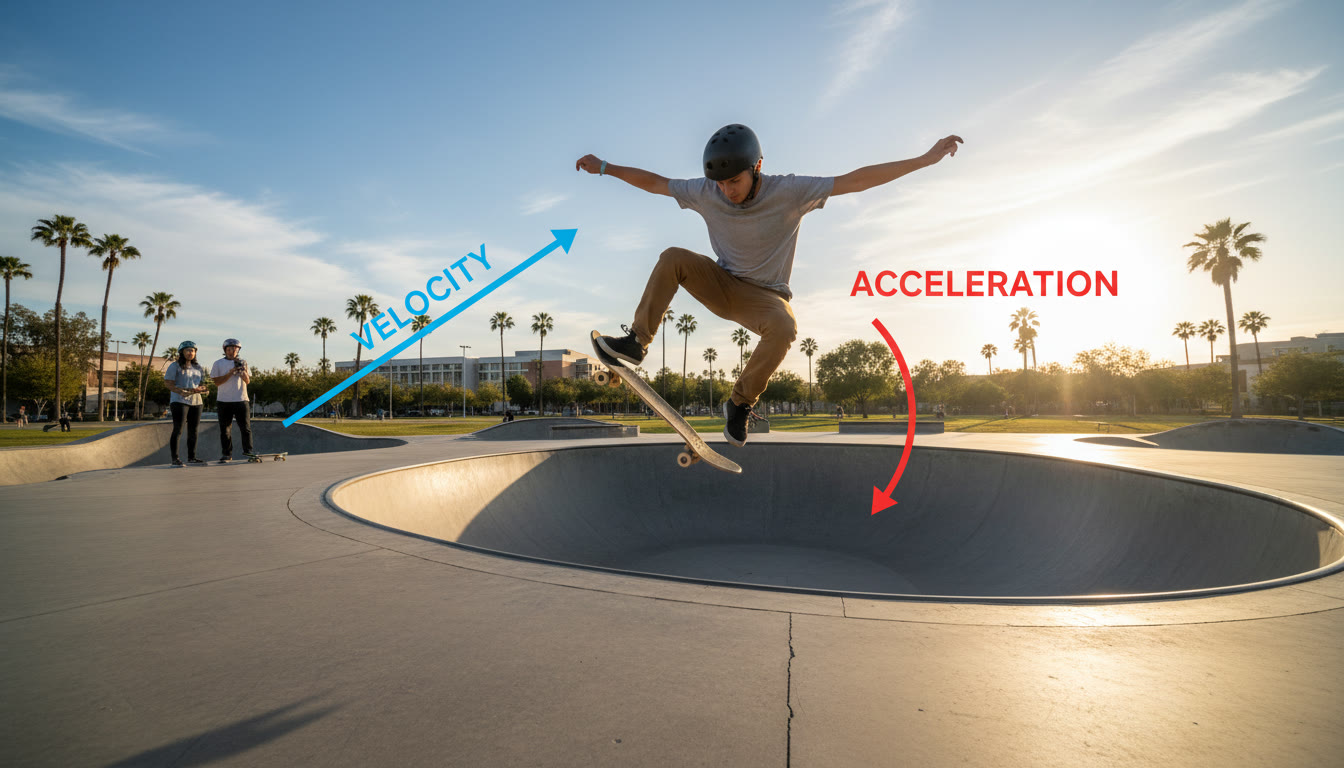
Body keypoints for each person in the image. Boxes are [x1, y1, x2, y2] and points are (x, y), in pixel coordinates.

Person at [580, 124, 962, 447]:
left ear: (757, 167)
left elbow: (854, 181)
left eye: (735, 181)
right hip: (723, 284)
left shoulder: (791, 191)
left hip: (766, 298)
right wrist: (605, 168)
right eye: (721, 183)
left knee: (785, 325)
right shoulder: (705, 191)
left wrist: (924, 160)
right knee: (672, 257)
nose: (727, 191)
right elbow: (656, 183)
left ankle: (739, 404)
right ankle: (636, 342)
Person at [164, 341, 209, 466]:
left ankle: (192, 457)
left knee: (193, 430)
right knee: (178, 429)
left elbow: (204, 385)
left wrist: (203, 389)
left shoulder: (198, 367)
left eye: (193, 350)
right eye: (188, 350)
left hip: (196, 401)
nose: (190, 353)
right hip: (179, 401)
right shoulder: (175, 366)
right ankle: (175, 459)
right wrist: (180, 391)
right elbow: (168, 383)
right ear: (182, 352)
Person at [211, 338, 254, 462]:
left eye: (235, 349)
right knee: (225, 429)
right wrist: (230, 373)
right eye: (229, 349)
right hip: (224, 401)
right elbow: (217, 382)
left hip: (241, 399)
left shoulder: (243, 362)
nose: (232, 352)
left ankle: (248, 452)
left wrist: (242, 372)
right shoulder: (218, 363)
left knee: (245, 428)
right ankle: (227, 454)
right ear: (225, 350)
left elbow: (247, 381)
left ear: (238, 350)